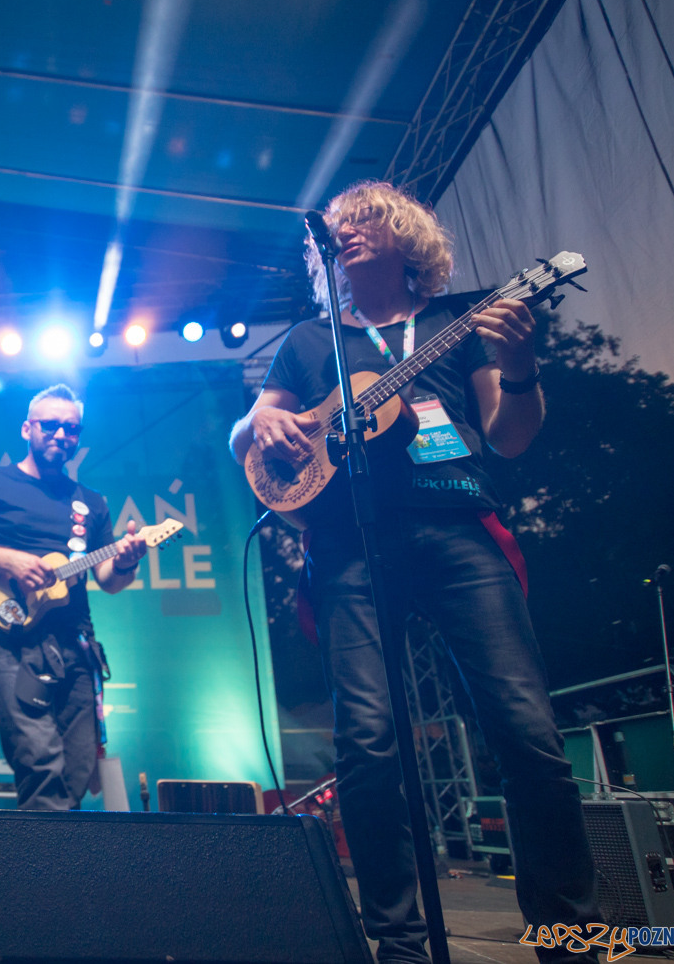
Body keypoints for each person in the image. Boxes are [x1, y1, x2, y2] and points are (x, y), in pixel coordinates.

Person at [229, 181, 596, 963]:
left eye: (366, 218)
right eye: (338, 224)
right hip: (349, 543)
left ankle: (568, 936)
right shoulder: (309, 342)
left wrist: (520, 363)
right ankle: (397, 944)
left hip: (459, 526)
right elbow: (245, 441)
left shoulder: (461, 318)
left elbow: (509, 436)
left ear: (406, 235)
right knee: (366, 742)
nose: (348, 230)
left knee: (527, 731)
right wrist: (261, 418)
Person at [0, 384, 146, 810]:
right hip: (14, 638)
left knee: (78, 766)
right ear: (27, 429)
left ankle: (58, 847)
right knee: (39, 761)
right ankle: (43, 852)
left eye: (72, 428)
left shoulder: (91, 502)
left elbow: (109, 580)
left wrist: (127, 560)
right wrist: (11, 561)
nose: (62, 434)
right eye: (51, 425)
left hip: (77, 642)